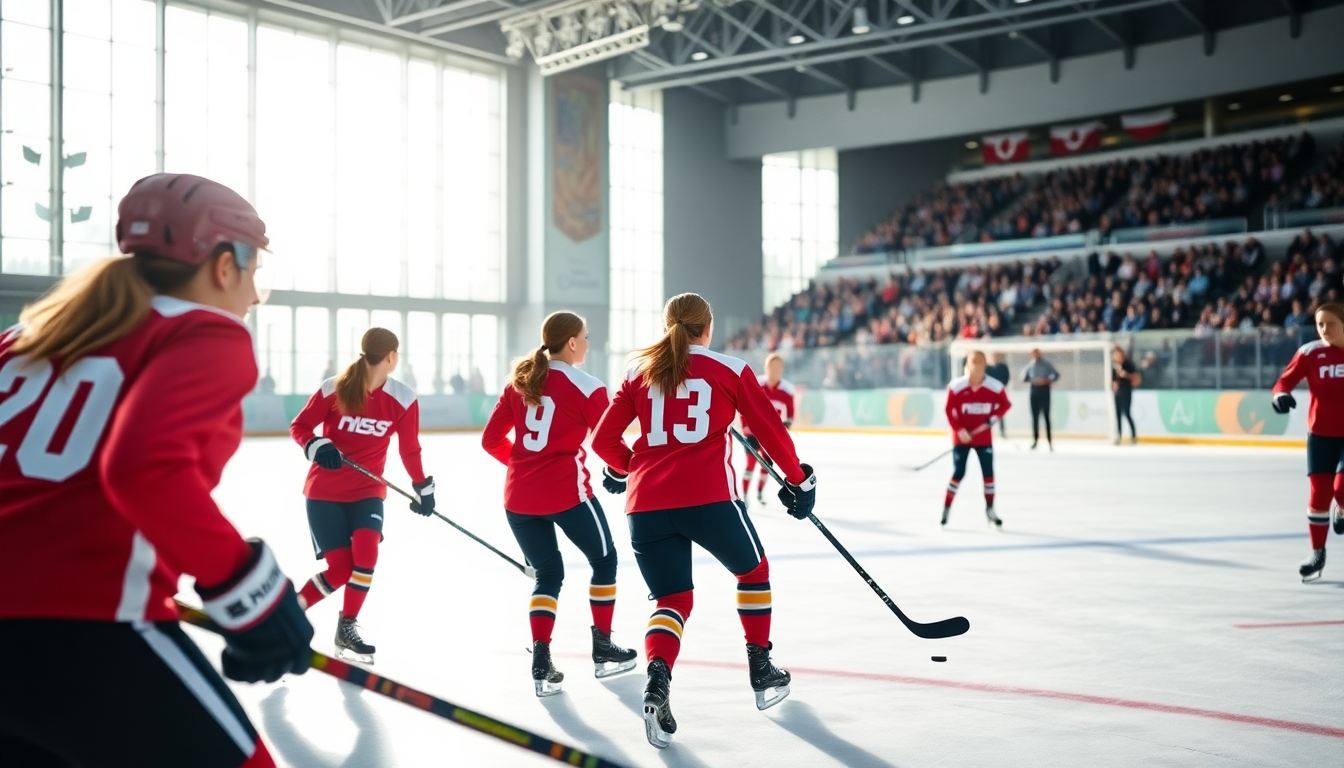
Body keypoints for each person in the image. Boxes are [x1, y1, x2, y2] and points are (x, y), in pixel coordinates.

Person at [0, 173, 312, 767]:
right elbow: (146, 469)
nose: (252, 296)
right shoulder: (202, 330)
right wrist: (248, 593)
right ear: (225, 265)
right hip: (88, 627)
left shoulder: (19, 338)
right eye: (254, 275)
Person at [592, 293, 816, 750]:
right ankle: (760, 669)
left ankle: (657, 683)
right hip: (709, 499)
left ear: (667, 325)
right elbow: (770, 429)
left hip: (646, 505)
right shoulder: (730, 369)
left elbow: (603, 439)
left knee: (671, 598)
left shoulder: (639, 372)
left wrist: (631, 465)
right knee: (753, 573)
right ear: (707, 328)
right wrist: (799, 479)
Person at [481, 311, 637, 697]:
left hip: (518, 498)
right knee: (604, 561)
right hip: (568, 495)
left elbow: (491, 440)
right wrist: (628, 469)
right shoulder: (588, 386)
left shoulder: (520, 381)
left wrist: (524, 463)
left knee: (547, 576)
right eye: (585, 336)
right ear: (571, 343)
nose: (588, 342)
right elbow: (607, 442)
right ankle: (602, 648)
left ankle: (541, 660)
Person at [289, 327, 435, 664]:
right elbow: (300, 426)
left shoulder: (403, 398)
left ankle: (347, 627)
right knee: (341, 569)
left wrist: (422, 487)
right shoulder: (335, 388)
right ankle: (291, 612)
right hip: (324, 492)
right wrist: (317, 445)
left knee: (366, 554)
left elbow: (409, 450)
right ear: (390, 357)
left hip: (368, 492)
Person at [1271, 302, 1344, 582]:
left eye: (1330, 324)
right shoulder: (1311, 352)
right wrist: (1280, 397)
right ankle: (1317, 553)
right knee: (1318, 495)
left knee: (1341, 487)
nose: (1324, 330)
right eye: (1319, 324)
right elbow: (1283, 383)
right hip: (1320, 435)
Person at [944, 351, 1012, 527]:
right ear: (968, 366)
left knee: (988, 475)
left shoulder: (994, 386)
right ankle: (946, 508)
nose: (976, 370)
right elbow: (949, 411)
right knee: (958, 473)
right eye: (973, 366)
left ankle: (990, 509)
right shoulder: (956, 387)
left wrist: (993, 418)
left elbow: (1005, 404)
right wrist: (959, 430)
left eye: (980, 366)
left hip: (983, 439)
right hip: (962, 439)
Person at [740, 353, 796, 503]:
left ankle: (759, 492)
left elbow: (790, 412)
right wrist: (745, 426)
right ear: (766, 367)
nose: (774, 370)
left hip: (770, 435)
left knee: (766, 466)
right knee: (750, 463)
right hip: (753, 433)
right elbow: (744, 404)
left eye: (778, 367)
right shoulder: (757, 383)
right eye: (771, 367)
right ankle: (744, 496)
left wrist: (788, 422)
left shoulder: (786, 390)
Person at [1021, 349, 1060, 450]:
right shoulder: (1030, 365)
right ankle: (1035, 440)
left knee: (1046, 417)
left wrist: (1046, 380)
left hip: (1044, 391)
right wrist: (1033, 380)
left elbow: (1055, 375)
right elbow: (1023, 377)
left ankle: (1049, 441)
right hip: (1034, 391)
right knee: (1035, 417)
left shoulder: (1046, 364)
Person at [1111, 346, 1141, 445]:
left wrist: (1126, 375)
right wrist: (1113, 384)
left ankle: (1133, 436)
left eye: (1118, 354)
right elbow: (1112, 379)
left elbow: (1136, 377)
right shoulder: (1114, 366)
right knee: (1118, 414)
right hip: (1117, 392)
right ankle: (1119, 436)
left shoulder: (1128, 364)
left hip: (1126, 391)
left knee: (1127, 413)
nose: (1116, 356)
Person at [985, 353, 1010, 438]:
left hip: (999, 392)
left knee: (1001, 411)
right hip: (990, 393)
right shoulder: (989, 368)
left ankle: (1002, 431)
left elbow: (1006, 379)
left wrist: (1000, 386)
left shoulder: (1003, 367)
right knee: (989, 411)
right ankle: (988, 430)